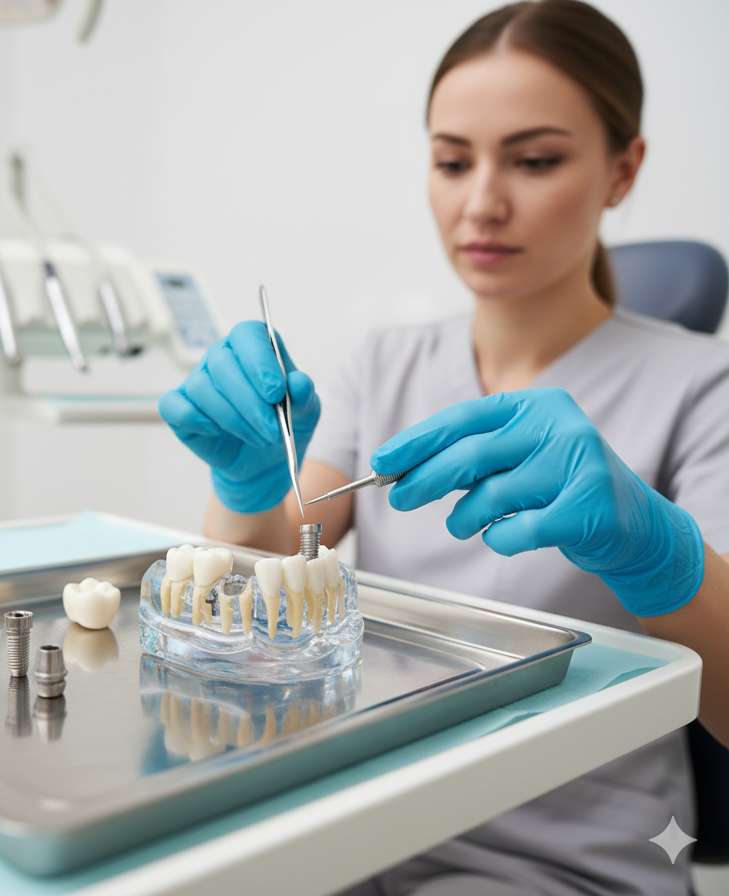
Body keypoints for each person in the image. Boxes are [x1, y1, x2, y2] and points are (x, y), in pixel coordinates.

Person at [159, 1, 729, 893]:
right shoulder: (383, 363)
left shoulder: (704, 384)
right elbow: (270, 558)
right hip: (352, 824)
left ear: (624, 170)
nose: (482, 202)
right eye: (451, 161)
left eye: (536, 160)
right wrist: (244, 482)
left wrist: (659, 555)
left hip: (553, 864)